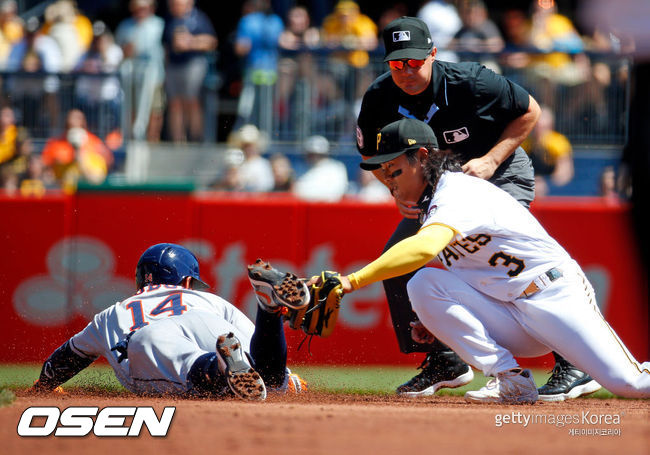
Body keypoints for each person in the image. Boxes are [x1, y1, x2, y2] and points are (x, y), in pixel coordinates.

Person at [313, 118, 649, 403]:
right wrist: (439, 320)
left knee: (630, 384)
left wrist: (351, 281)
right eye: (383, 172)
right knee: (424, 284)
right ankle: (510, 378)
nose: (389, 182)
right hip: (512, 313)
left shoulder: (456, 191)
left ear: (422, 156)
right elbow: (470, 274)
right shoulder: (431, 207)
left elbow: (424, 248)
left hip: (554, 296)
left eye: (395, 169)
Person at [355, 16, 595, 401]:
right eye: (398, 63)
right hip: (441, 188)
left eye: (415, 61)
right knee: (397, 262)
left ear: (432, 54)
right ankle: (444, 361)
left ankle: (576, 361)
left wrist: (490, 158)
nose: (407, 70)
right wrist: (395, 188)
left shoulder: (471, 81)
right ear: (388, 63)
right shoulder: (380, 97)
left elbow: (530, 111)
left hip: (496, 174)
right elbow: (370, 155)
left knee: (495, 258)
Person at [31, 243, 307, 399]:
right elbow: (253, 342)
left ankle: (218, 365)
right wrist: (285, 377)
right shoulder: (211, 300)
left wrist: (43, 386)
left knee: (177, 360)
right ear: (187, 282)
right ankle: (268, 309)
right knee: (267, 378)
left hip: (150, 337)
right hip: (209, 322)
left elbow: (68, 357)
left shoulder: (113, 313)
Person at [162, 0, 217, 142]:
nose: (175, 6)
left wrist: (190, 42)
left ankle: (195, 139)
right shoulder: (170, 20)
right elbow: (166, 46)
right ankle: (178, 140)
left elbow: (212, 42)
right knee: (175, 104)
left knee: (192, 102)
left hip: (193, 65)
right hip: (173, 66)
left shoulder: (199, 19)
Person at [114, 0, 165, 142]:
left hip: (155, 76)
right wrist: (126, 51)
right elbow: (117, 52)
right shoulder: (125, 26)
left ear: (151, 8)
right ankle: (132, 140)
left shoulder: (159, 25)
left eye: (144, 8)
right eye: (138, 8)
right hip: (131, 76)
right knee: (132, 109)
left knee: (155, 110)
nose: (141, 11)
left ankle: (152, 141)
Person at [234, 0, 284, 130]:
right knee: (260, 110)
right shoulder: (276, 21)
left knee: (248, 109)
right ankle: (257, 137)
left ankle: (249, 137)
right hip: (265, 73)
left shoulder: (248, 21)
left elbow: (240, 48)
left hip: (260, 73)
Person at [40, 108, 113, 192]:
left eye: (78, 119)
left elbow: (102, 171)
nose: (74, 122)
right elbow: (46, 169)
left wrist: (82, 158)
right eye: (71, 122)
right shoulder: (56, 144)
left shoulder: (95, 143)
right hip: (64, 193)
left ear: (83, 123)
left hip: (88, 193)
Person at [522, 105, 573, 198]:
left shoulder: (559, 143)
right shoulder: (523, 144)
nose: (538, 131)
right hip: (526, 188)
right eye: (535, 126)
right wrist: (531, 183)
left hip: (551, 193)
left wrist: (546, 184)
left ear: (551, 126)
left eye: (543, 127)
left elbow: (565, 174)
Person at [293, 135, 349, 202]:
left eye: (318, 154)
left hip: (328, 208)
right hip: (304, 207)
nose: (314, 157)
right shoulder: (299, 168)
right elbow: (296, 191)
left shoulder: (336, 168)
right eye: (311, 153)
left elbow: (337, 192)